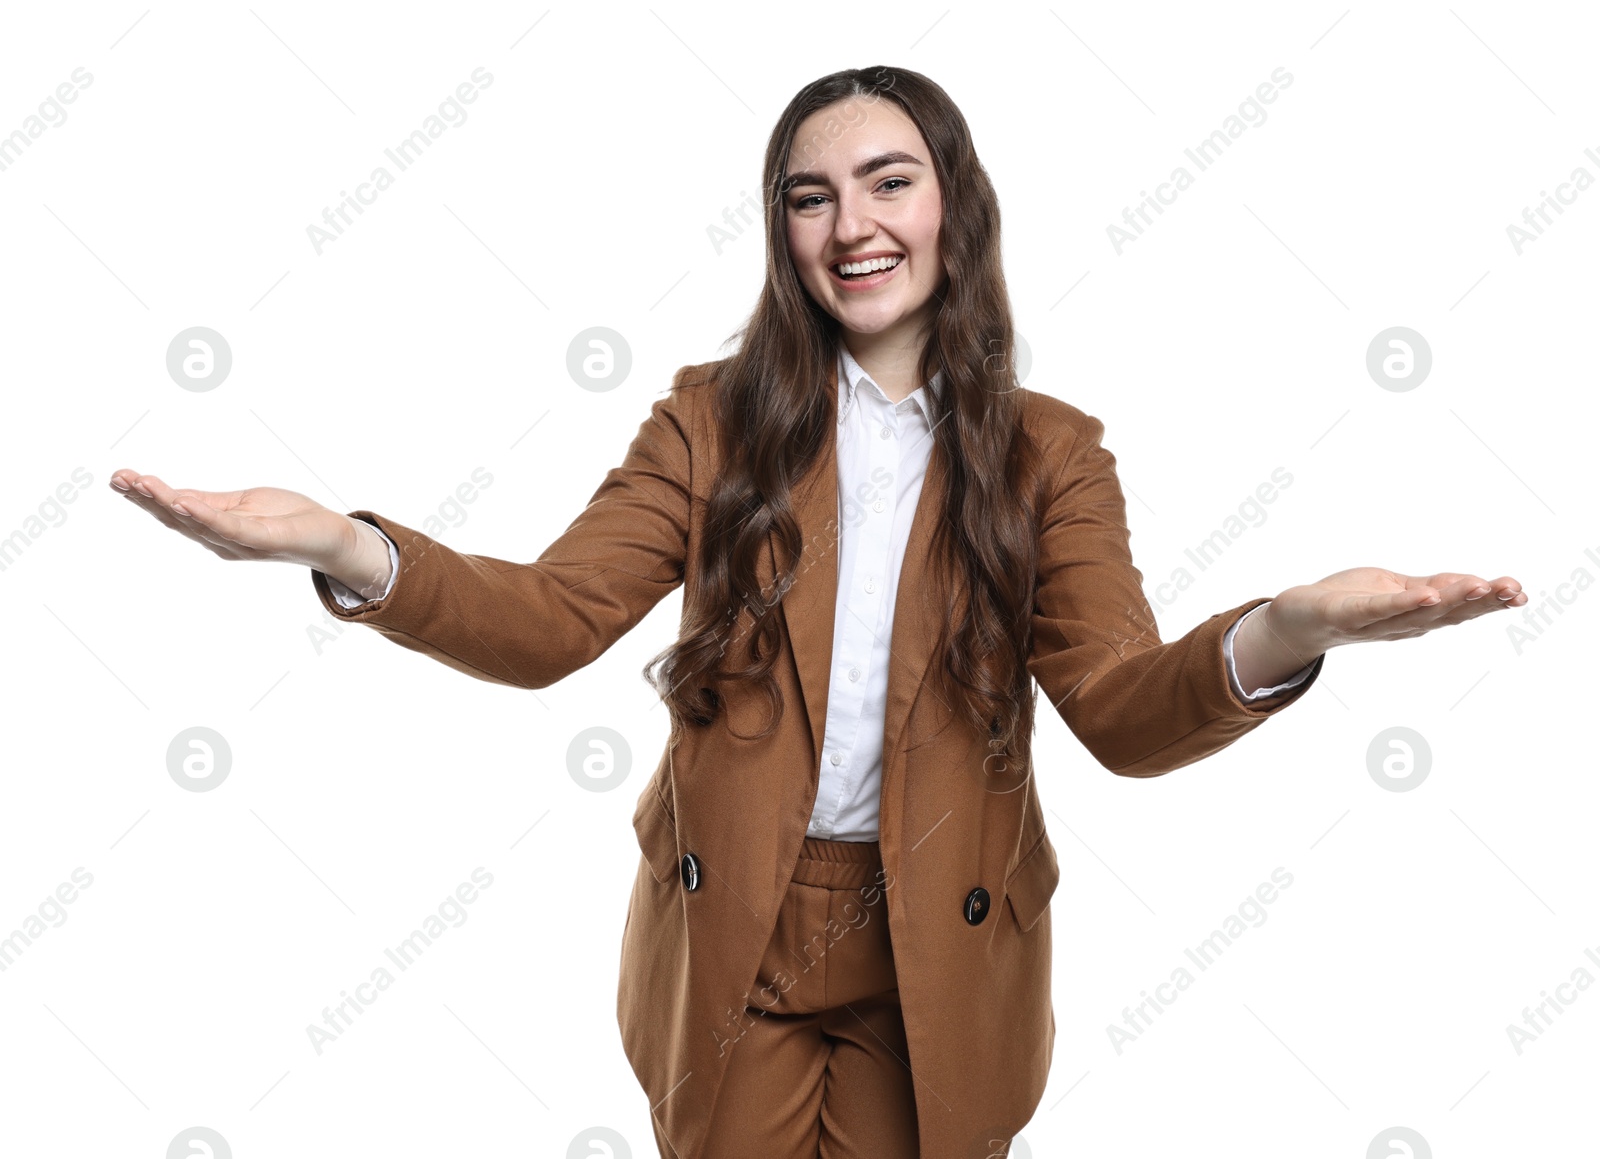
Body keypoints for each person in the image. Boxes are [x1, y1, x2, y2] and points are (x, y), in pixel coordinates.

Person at [110, 66, 1524, 1159]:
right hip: (739, 928)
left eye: (887, 182)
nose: (850, 226)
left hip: (946, 935)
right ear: (781, 227)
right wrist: (348, 544)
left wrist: (1285, 629)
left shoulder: (1053, 452)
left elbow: (1122, 712)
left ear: (953, 204)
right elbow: (549, 619)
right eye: (808, 194)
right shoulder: (710, 422)